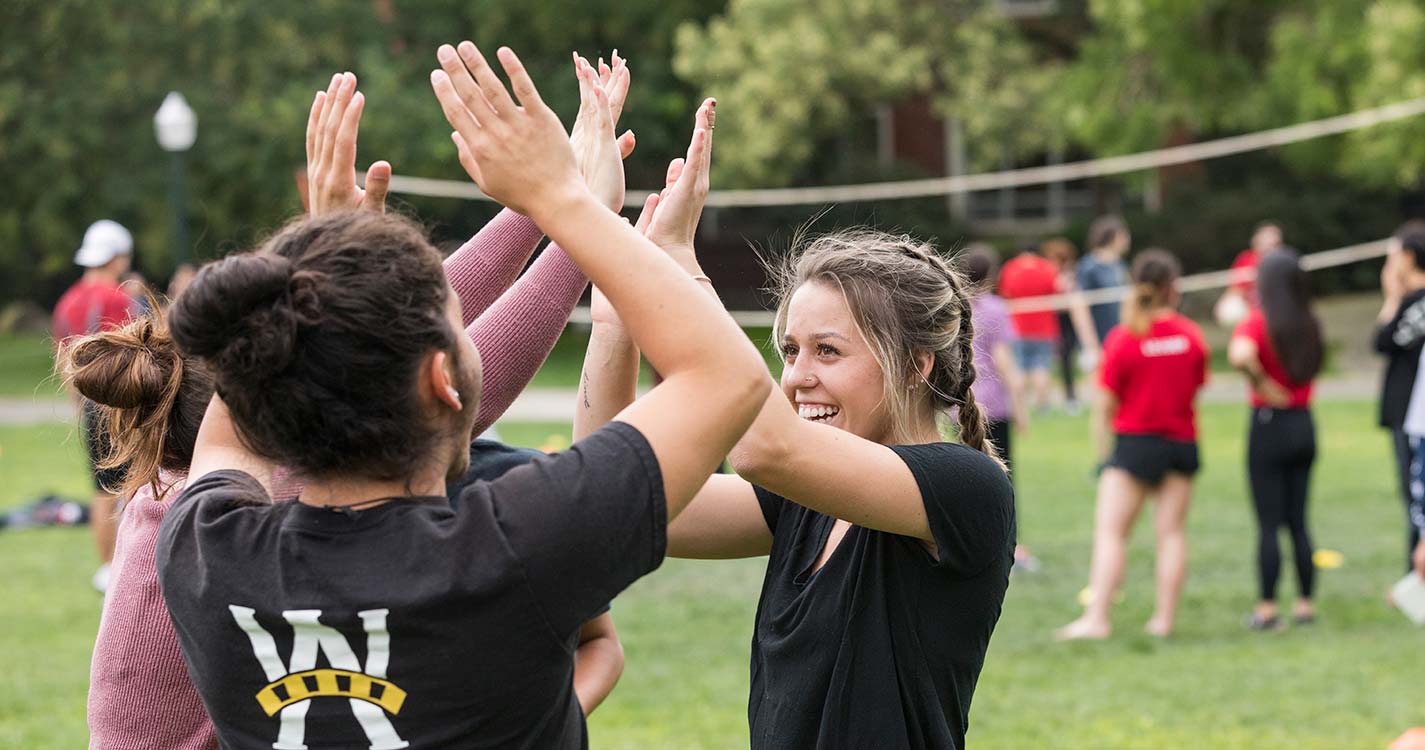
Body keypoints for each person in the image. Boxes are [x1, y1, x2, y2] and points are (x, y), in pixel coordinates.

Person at [157, 43, 768, 748]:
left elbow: (242, 402)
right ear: (441, 380)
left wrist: (324, 260)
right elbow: (726, 375)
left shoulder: (207, 553)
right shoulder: (513, 545)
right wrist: (563, 199)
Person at [81, 58, 639, 749]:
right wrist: (577, 219)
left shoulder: (198, 502)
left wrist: (543, 204)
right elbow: (428, 377)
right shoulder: (219, 524)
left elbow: (403, 339)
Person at [580, 115, 1014, 746]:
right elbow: (615, 501)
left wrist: (679, 264)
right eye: (789, 351)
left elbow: (763, 447)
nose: (797, 377)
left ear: (916, 365)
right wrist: (618, 312)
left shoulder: (965, 487)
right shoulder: (801, 502)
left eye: (828, 352)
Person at [1056, 249, 1207, 640]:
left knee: (1110, 533)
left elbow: (1103, 406)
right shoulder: (1192, 336)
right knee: (1171, 533)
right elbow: (1196, 390)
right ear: (1173, 288)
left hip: (1136, 444)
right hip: (1181, 444)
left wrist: (1105, 456)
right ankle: (1163, 621)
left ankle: (1097, 620)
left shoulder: (1125, 338)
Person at [1229, 250, 1324, 629]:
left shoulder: (1258, 322)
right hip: (1304, 423)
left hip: (1269, 425)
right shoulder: (1310, 323)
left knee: (1269, 523)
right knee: (1299, 521)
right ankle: (1305, 604)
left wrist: (1262, 384)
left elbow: (1240, 356)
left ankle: (1267, 608)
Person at [52, 218, 140, 593]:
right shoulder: (118, 299)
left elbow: (64, 362)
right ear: (117, 257)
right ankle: (128, 565)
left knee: (101, 488)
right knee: (132, 486)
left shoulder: (68, 300)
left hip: (87, 404)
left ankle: (106, 568)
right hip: (120, 405)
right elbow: (137, 352)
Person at [963, 243, 1034, 569]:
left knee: (967, 478)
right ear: (991, 275)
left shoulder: (954, 307)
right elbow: (1005, 363)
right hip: (993, 407)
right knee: (1002, 479)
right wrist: (1020, 407)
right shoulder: (993, 309)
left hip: (960, 407)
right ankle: (1009, 548)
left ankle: (972, 542)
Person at [1374, 220, 1425, 575]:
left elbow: (1382, 342)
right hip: (1408, 410)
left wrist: (1392, 296)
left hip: (1414, 412)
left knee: (1416, 495)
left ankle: (1417, 577)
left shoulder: (1415, 304)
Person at [999, 242, 1061, 411]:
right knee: (1042, 366)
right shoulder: (1047, 267)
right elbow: (1056, 292)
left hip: (1018, 327)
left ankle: (1020, 405)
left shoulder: (1011, 268)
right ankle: (1043, 407)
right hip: (1044, 327)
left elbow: (1006, 293)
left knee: (1019, 367)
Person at [1077, 214, 1131, 350]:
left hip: (1122, 336)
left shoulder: (1120, 265)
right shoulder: (1089, 267)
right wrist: (1090, 345)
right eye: (1124, 235)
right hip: (1102, 339)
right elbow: (1079, 306)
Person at [1214, 220, 1283, 325]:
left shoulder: (1283, 262)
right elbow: (1234, 291)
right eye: (1265, 243)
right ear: (1257, 242)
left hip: (1275, 307)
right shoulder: (1246, 259)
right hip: (1249, 308)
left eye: (1273, 245)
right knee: (1231, 307)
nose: (1268, 248)